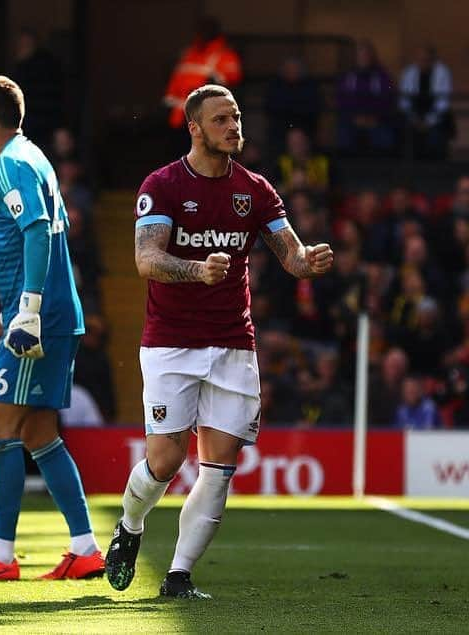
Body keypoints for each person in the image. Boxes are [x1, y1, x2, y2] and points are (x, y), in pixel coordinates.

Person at [105, 85, 333, 598]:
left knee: (219, 469)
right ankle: (131, 525)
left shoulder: (255, 189)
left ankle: (179, 576)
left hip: (234, 343)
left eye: (236, 117)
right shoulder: (162, 186)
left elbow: (291, 255)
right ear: (194, 128)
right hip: (171, 343)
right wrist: (195, 270)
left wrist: (309, 260)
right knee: (165, 462)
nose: (234, 127)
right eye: (221, 120)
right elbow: (146, 260)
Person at [0, 76, 102, 582]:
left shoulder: (10, 164)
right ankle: (84, 548)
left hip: (39, 319)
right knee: (37, 432)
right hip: (53, 312)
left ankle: (1, 556)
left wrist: (27, 309)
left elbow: (36, 230)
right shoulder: (32, 155)